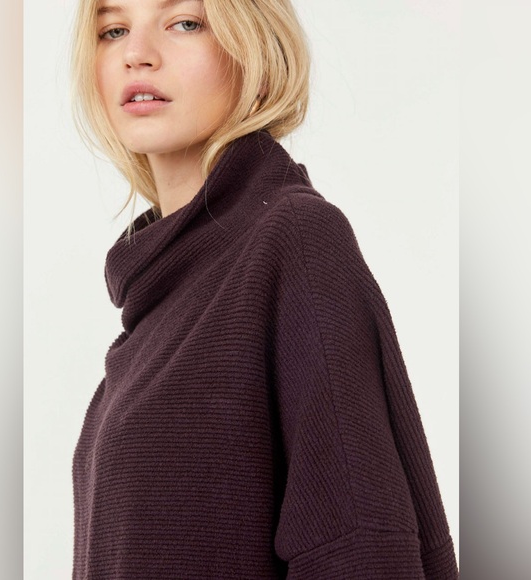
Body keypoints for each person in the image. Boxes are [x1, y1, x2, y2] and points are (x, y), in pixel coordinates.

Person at [70, 0, 458, 578]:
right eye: (114, 29)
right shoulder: (159, 294)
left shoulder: (294, 241)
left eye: (184, 23)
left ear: (256, 52)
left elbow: (361, 548)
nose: (136, 54)